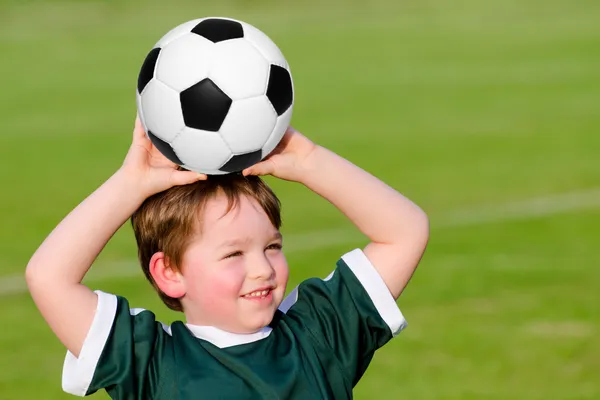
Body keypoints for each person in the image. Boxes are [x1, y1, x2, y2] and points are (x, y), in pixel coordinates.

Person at [26, 118, 429, 399]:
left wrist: (309, 162)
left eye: (272, 246)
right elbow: (49, 277)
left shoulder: (319, 336)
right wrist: (131, 184)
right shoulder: (151, 362)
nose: (263, 269)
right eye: (234, 253)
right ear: (169, 272)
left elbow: (404, 232)